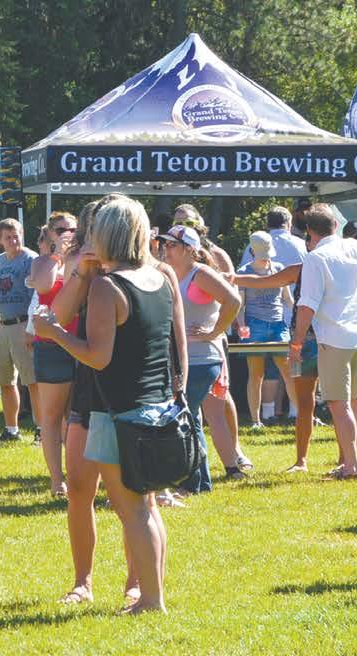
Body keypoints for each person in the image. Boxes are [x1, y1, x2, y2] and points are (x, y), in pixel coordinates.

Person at [35, 194, 184, 614]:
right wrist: (81, 274)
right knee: (120, 499)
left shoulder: (117, 283)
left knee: (134, 506)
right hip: (121, 400)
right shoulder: (123, 277)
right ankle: (101, 585)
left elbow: (99, 353)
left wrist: (55, 333)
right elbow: (65, 313)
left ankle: (145, 593)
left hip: (119, 404)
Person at [289, 204, 357, 480]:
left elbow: (307, 305)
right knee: (353, 403)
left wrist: (297, 342)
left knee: (339, 404)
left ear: (309, 231)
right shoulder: (354, 247)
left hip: (333, 339)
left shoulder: (316, 258)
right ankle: (350, 461)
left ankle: (352, 466)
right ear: (335, 225)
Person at [160, 224, 241, 491]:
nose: (166, 249)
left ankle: (194, 482)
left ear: (189, 250)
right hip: (186, 359)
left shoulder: (201, 274)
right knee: (192, 417)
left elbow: (233, 300)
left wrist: (214, 332)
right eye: (165, 244)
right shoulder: (170, 273)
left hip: (203, 359)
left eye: (172, 245)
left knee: (187, 416)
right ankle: (201, 480)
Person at [29, 212, 79, 497]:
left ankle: (77, 474)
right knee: (51, 415)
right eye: (60, 230)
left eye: (72, 229)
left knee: (77, 415)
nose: (67, 234)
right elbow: (45, 286)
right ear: (48, 233)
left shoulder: (82, 259)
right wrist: (58, 253)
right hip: (50, 345)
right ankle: (57, 479)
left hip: (79, 342)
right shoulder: (42, 262)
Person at [0, 218, 38, 441]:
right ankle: (11, 429)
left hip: (23, 324)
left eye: (16, 235)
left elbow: (37, 297)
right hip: (0, 326)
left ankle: (41, 429)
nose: (13, 240)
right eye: (7, 237)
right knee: (5, 381)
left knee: (32, 381)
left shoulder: (31, 259)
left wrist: (31, 329)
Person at [236, 232, 293, 430]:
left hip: (279, 325)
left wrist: (299, 318)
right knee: (256, 374)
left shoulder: (279, 268)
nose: (265, 258)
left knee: (290, 371)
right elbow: (240, 305)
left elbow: (287, 300)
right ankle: (255, 420)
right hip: (255, 326)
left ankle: (301, 414)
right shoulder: (243, 272)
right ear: (253, 251)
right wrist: (242, 326)